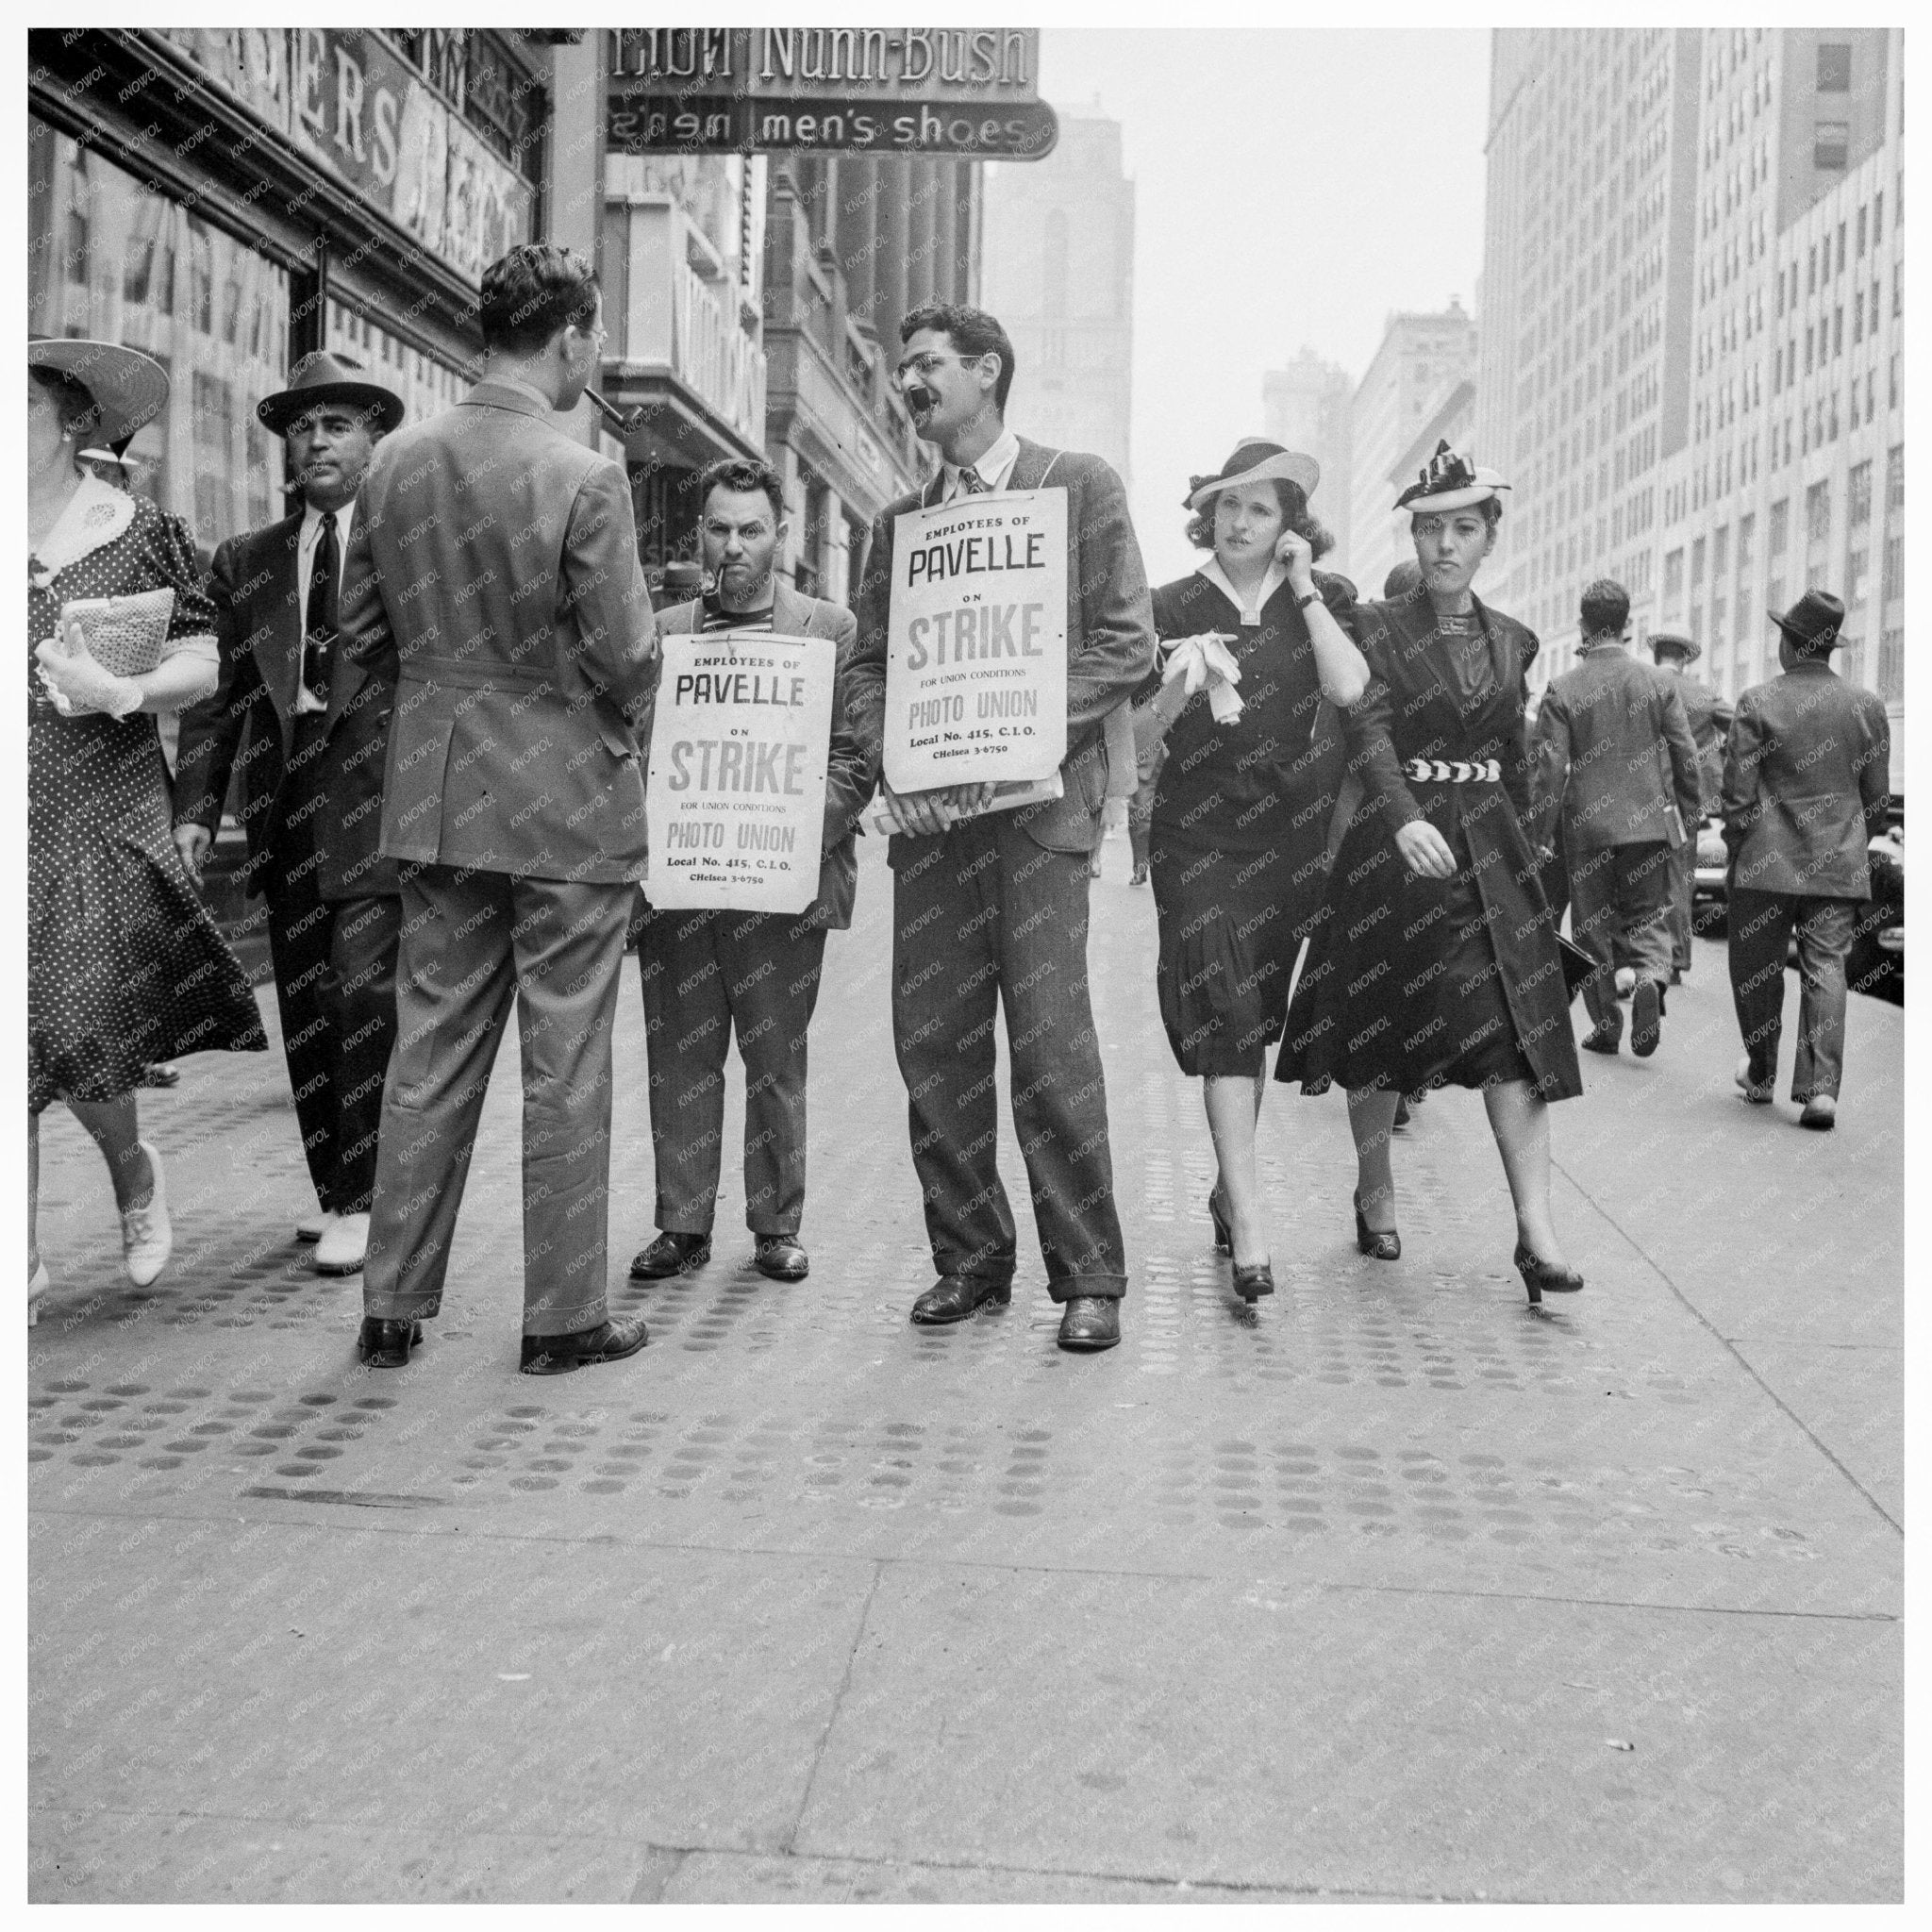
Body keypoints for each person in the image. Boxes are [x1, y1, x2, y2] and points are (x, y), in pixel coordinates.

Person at [337, 242, 658, 1373]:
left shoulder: (393, 465)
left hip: (439, 799)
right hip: (567, 805)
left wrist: (444, 711)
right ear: (568, 336)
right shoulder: (582, 475)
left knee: (427, 1050)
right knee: (564, 1062)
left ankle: (389, 1307)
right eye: (597, 334)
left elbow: (361, 647)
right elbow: (628, 655)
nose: (599, 354)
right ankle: (562, 1320)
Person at [849, 302, 1156, 1353]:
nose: (910, 383)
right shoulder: (898, 524)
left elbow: (1126, 645)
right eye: (903, 368)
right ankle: (968, 1260)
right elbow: (869, 664)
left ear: (987, 371)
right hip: (933, 826)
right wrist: (890, 757)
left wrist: (1013, 729)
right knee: (931, 1044)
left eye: (927, 364)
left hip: (1034, 824)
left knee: (1048, 1044)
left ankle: (1089, 1274)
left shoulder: (1077, 486)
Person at [1276, 442, 1585, 1306]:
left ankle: (1538, 1231)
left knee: (1516, 1035)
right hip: (1399, 848)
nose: (1445, 545)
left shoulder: (1516, 640)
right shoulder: (1376, 628)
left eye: (1464, 529)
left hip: (1491, 855)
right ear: (1413, 538)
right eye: (1431, 530)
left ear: (1490, 538)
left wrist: (1534, 868)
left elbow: (1516, 758)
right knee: (1384, 1024)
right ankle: (1374, 1189)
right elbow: (1365, 728)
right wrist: (1403, 814)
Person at [27, 337, 266, 1324]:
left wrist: (118, 687)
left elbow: (205, 664)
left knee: (78, 1027)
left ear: (76, 424)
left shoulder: (137, 529)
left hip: (99, 802)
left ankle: (133, 1168)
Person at [173, 353, 408, 1276]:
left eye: (338, 423)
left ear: (371, 439)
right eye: (303, 426)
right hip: (283, 811)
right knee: (308, 1008)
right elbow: (219, 701)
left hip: (379, 809)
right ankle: (333, 1191)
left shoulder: (402, 549)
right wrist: (197, 810)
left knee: (361, 994)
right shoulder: (248, 561)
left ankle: (366, 1194)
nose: (317, 440)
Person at [629, 456, 875, 1286]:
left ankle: (776, 1225)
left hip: (779, 881)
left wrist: (787, 832)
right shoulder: (664, 634)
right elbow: (634, 753)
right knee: (681, 1057)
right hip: (684, 884)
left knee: (776, 1057)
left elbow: (854, 758)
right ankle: (682, 1222)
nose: (733, 546)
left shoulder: (827, 630)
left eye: (751, 529)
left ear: (782, 534)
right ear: (697, 532)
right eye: (719, 529)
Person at [1134, 440, 1368, 1302]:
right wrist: (1177, 687)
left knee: (1256, 1017)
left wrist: (1305, 588)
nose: (1240, 522)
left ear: (1289, 526)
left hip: (1290, 841)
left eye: (1261, 509)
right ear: (1208, 514)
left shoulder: (1327, 600)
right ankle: (1252, 1216)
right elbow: (1137, 737)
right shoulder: (1169, 603)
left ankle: (1228, 1194)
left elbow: (1348, 690)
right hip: (1197, 837)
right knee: (1226, 1009)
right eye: (1228, 506)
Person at [1723, 591, 1890, 1131]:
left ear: (1788, 644)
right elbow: (1877, 799)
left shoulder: (1756, 702)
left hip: (1765, 864)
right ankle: (1821, 1092)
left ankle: (1762, 1072)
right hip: (1836, 862)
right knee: (1825, 966)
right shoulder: (1866, 706)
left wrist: (1736, 846)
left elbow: (1738, 797)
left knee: (1757, 971)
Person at [1532, 578, 1700, 1059]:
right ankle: (1649, 977)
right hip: (1649, 822)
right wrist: (1687, 814)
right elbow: (1685, 754)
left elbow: (1549, 769)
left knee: (1593, 927)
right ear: (1627, 626)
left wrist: (1541, 833)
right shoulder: (1659, 682)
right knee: (1649, 916)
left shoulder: (1563, 688)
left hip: (1586, 827)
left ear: (1583, 625)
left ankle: (1606, 1025)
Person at [1650, 628, 1734, 979]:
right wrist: (1717, 758)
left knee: (1641, 877)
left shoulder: (1642, 685)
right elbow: (1741, 724)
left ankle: (1642, 956)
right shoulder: (1703, 694)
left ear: (1657, 656)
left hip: (1643, 796)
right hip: (1683, 802)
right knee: (1680, 876)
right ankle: (1675, 958)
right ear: (1684, 659)